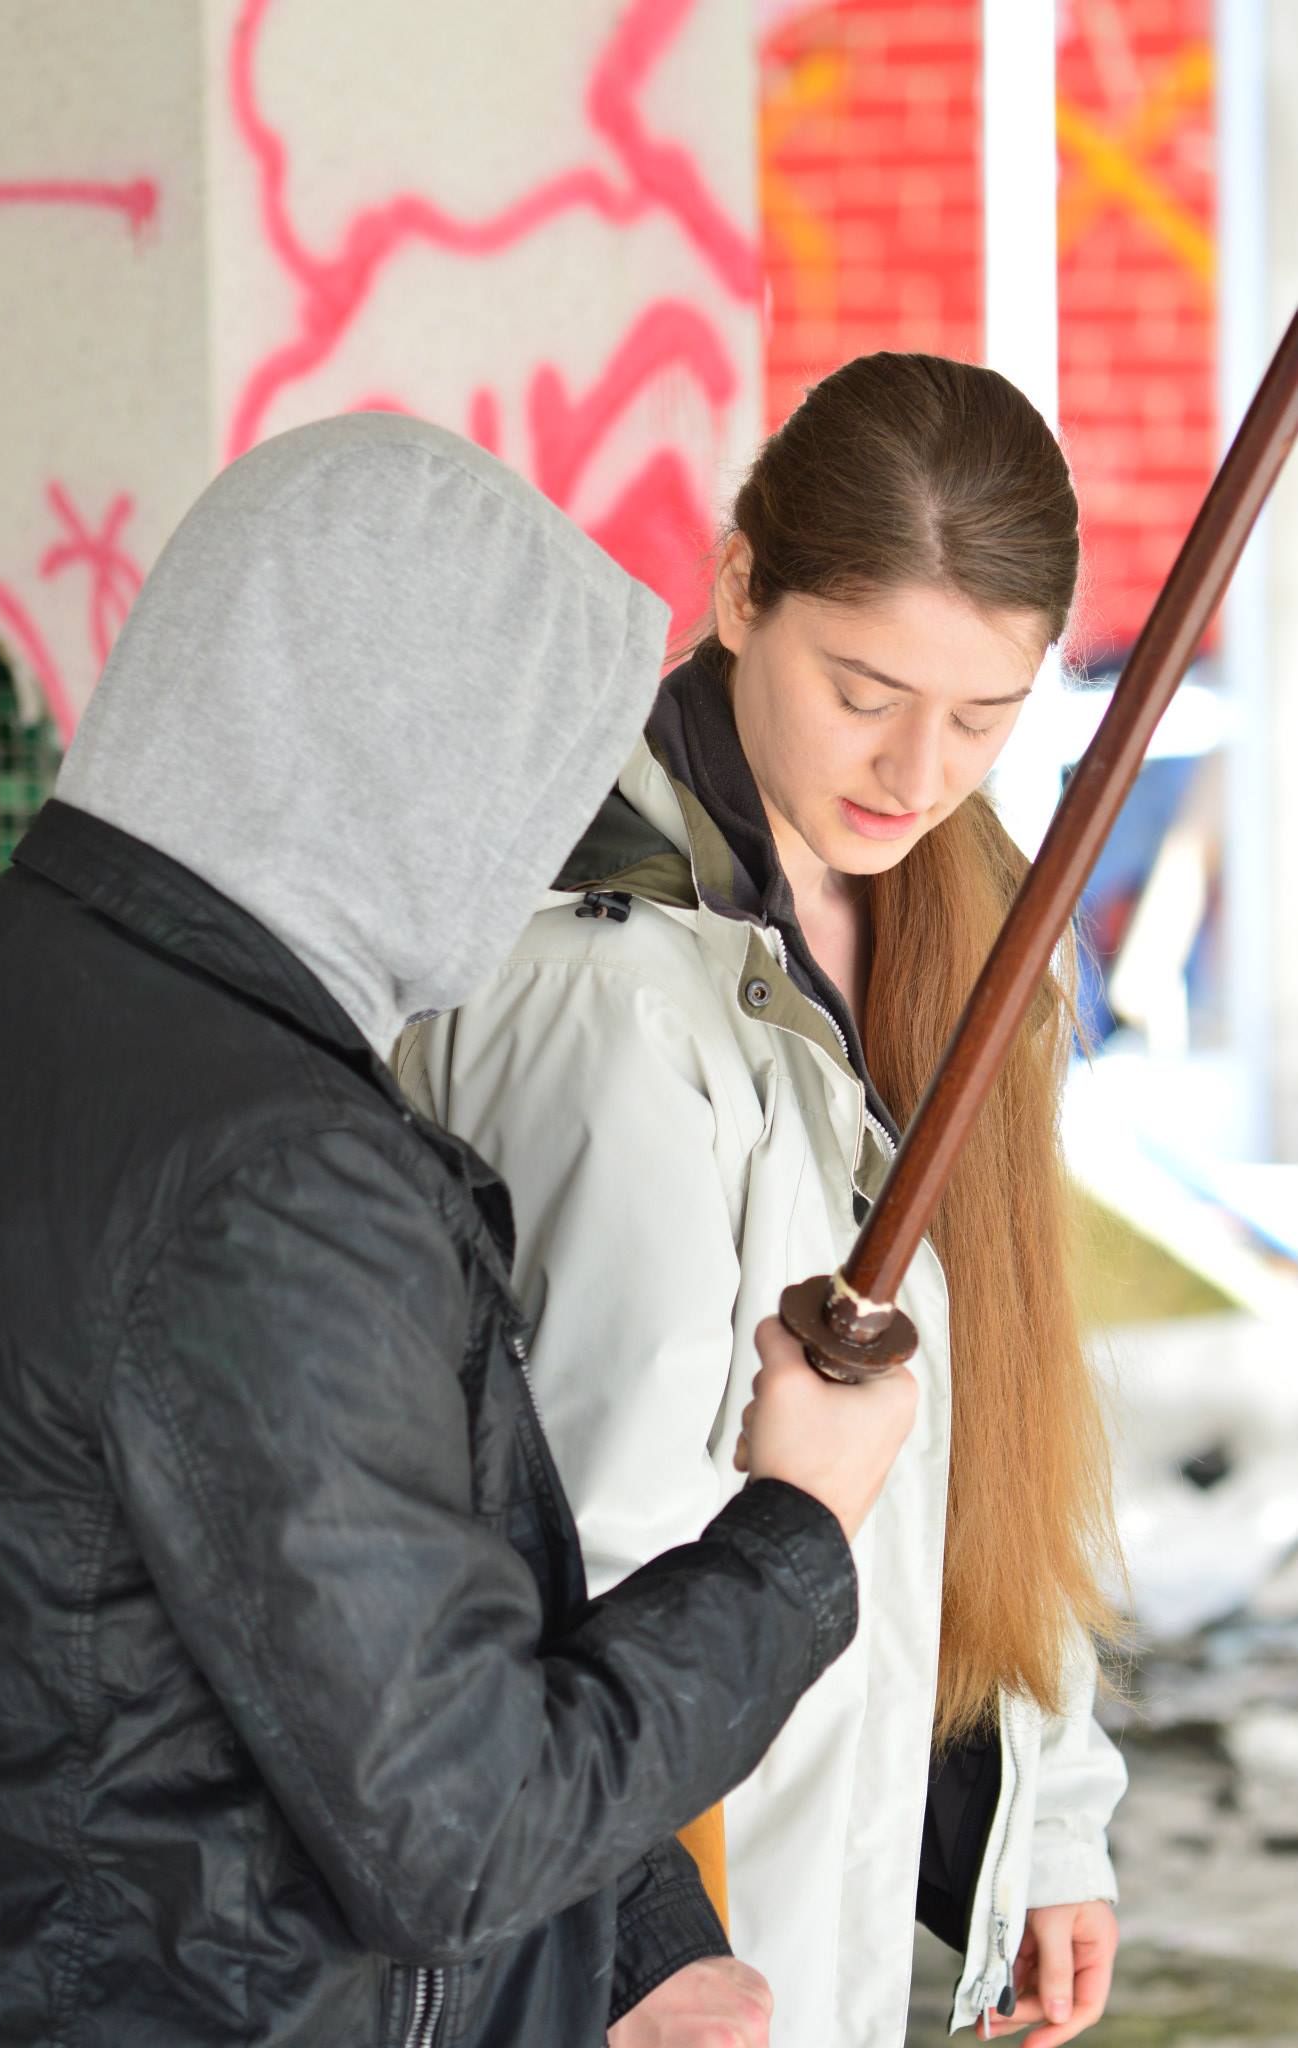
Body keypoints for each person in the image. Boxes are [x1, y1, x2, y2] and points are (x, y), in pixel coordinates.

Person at [0, 414, 920, 2048]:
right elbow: (456, 1835)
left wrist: (634, 1940)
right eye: (538, 767)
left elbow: (348, 1639)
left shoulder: (38, 980)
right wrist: (797, 1522)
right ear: (406, 749)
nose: (541, 842)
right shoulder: (267, 1180)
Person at [396, 355, 1130, 2048]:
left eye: (983, 713)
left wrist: (1046, 1817)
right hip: (687, 1937)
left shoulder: (965, 921)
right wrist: (636, 1945)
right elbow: (578, 1550)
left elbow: (983, 1422)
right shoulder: (599, 992)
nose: (916, 767)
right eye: (864, 687)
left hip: (841, 1872)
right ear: (738, 589)